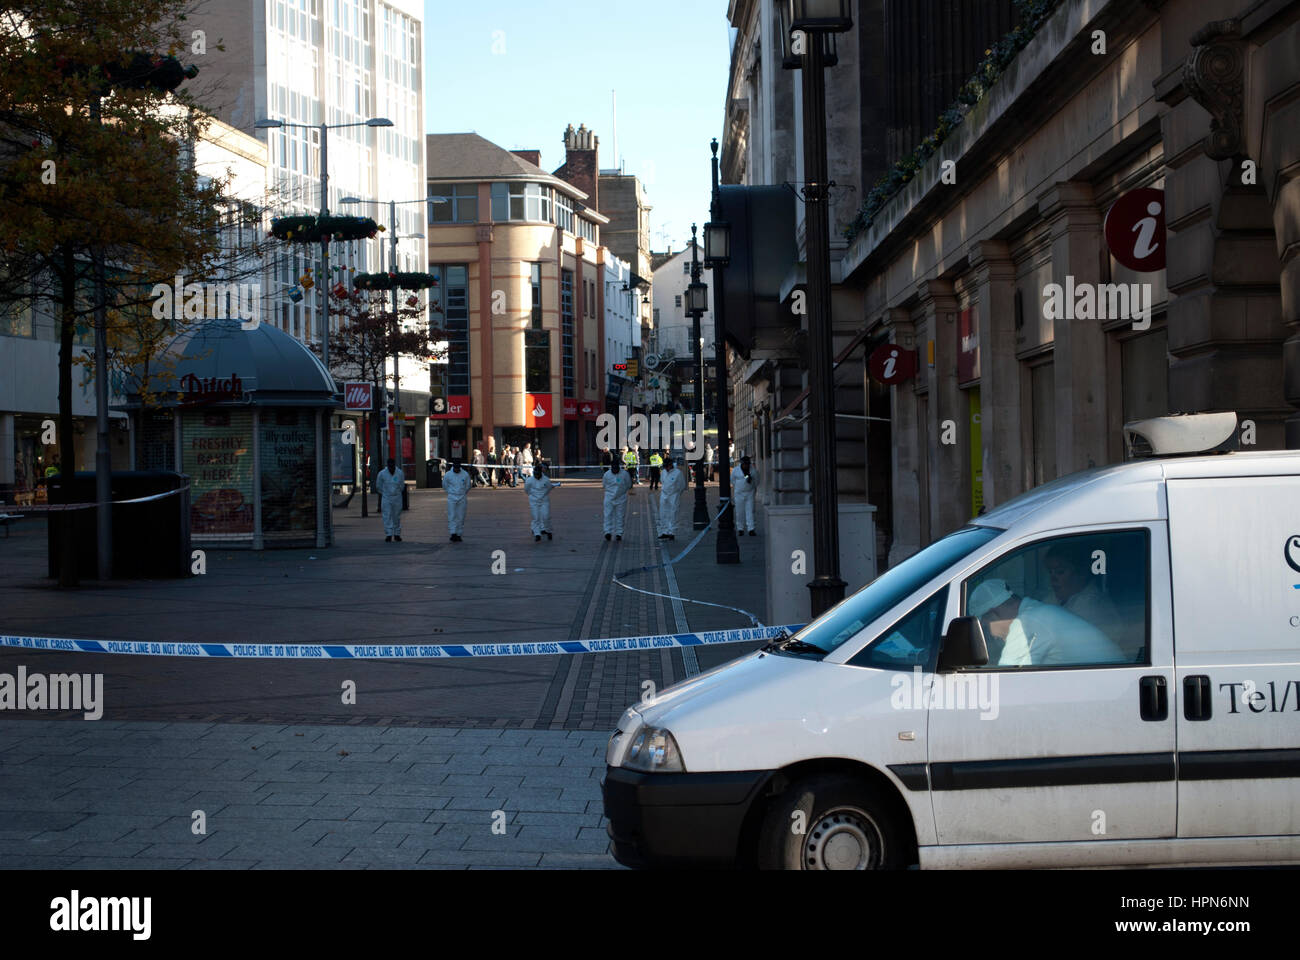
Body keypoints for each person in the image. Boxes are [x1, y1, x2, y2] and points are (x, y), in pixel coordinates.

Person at [967, 578, 1126, 667]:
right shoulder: (1038, 611)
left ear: (992, 615)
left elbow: (1002, 679)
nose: (993, 636)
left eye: (986, 628)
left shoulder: (1026, 622)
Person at [1044, 543, 1122, 637]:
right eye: (1050, 572)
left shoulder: (1093, 606)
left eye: (1060, 572)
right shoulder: (1056, 596)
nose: (1053, 579)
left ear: (1081, 573)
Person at [524, 462, 561, 541]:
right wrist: (533, 496)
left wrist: (543, 495)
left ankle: (548, 531)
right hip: (534, 501)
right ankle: (537, 534)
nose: (537, 476)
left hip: (544, 500)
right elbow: (527, 490)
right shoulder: (529, 480)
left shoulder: (546, 479)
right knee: (536, 517)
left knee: (546, 516)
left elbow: (549, 488)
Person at [602, 458, 633, 541]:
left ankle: (619, 533)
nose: (615, 470)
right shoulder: (607, 475)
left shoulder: (625, 474)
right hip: (609, 498)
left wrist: (621, 492)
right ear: (611, 467)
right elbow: (604, 485)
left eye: (616, 468)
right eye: (613, 468)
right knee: (608, 515)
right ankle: (607, 532)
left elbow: (629, 485)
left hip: (621, 498)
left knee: (620, 516)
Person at [657, 456, 687, 541]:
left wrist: (676, 494)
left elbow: (682, 485)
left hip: (674, 495)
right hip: (664, 494)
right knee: (663, 513)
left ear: (671, 465)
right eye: (665, 467)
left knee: (673, 513)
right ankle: (664, 531)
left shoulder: (678, 473)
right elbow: (662, 482)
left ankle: (672, 532)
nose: (666, 468)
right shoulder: (663, 472)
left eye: (667, 466)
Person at [375, 457, 404, 542]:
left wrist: (396, 492)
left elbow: (401, 485)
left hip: (397, 497)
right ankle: (388, 534)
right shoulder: (382, 474)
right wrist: (385, 493)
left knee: (396, 516)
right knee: (387, 516)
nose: (391, 467)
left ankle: (397, 534)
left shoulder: (400, 473)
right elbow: (378, 486)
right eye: (389, 466)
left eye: (392, 466)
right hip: (386, 497)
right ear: (387, 465)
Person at [443, 458, 471, 541]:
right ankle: (453, 533)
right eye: (455, 468)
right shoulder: (448, 475)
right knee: (452, 515)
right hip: (452, 497)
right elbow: (445, 485)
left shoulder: (465, 474)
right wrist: (450, 492)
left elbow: (468, 486)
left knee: (461, 516)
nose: (456, 470)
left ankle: (459, 533)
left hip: (462, 497)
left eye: (458, 468)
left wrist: (462, 493)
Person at [731, 454, 758, 535]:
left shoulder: (753, 471)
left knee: (750, 511)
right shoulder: (736, 470)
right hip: (739, 493)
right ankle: (740, 528)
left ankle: (751, 528)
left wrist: (752, 488)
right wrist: (739, 487)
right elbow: (732, 480)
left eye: (747, 464)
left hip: (750, 493)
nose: (746, 465)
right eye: (745, 464)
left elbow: (757, 481)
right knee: (739, 511)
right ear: (742, 464)